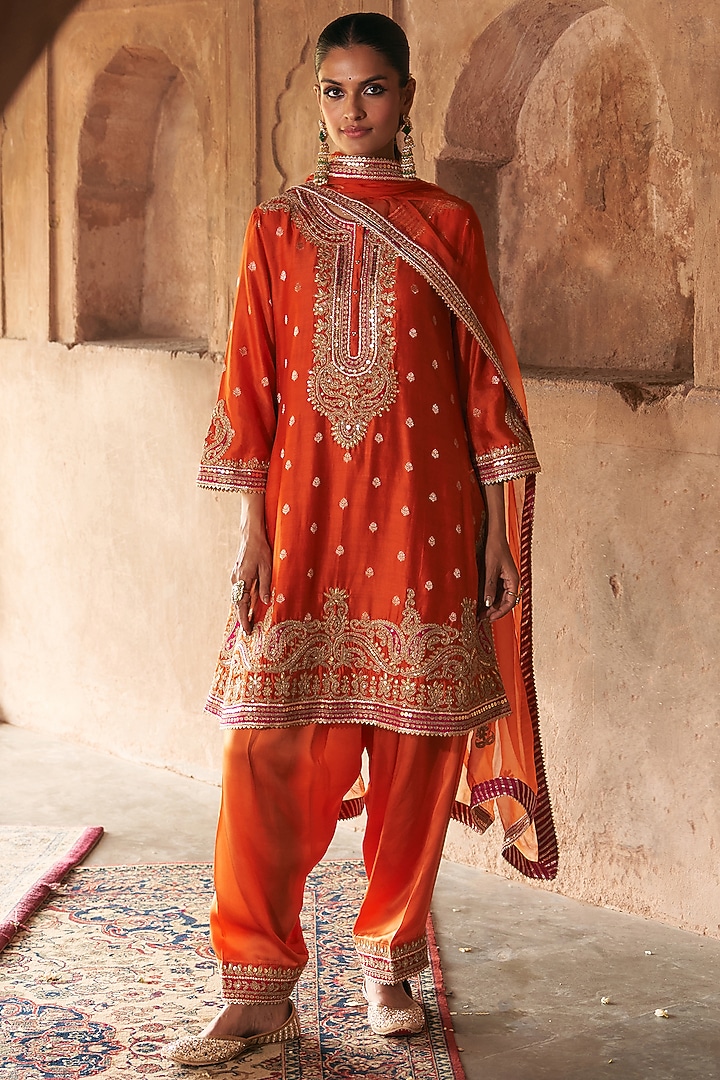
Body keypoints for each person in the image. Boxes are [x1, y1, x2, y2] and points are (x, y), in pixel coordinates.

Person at [164, 11, 558, 1068]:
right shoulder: (277, 228)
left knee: (417, 746)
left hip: (428, 518)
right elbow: (249, 385)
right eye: (334, 92)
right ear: (318, 102)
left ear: (407, 98)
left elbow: (483, 388)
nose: (351, 111)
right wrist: (251, 533)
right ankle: (256, 985)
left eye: (372, 89)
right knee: (264, 748)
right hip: (302, 520)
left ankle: (389, 956)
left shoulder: (445, 223)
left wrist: (493, 531)